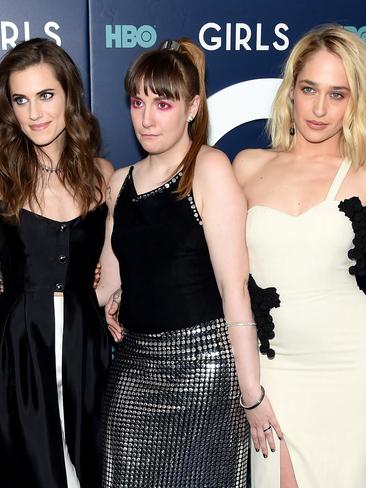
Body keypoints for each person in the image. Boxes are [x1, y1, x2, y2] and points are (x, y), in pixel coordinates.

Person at [233, 24, 366, 487]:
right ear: (291, 90)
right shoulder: (247, 167)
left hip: (350, 370)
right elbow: (213, 262)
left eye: (337, 95)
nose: (319, 108)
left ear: (356, 103)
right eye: (309, 89)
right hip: (272, 369)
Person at [95, 38, 276, 487]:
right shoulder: (120, 183)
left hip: (205, 371)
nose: (147, 117)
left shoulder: (209, 168)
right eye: (138, 102)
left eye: (163, 103)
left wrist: (251, 395)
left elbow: (234, 291)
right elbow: (105, 283)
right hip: (133, 371)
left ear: (193, 107)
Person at [0, 38, 114, 488]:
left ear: (69, 96)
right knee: (34, 472)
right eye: (21, 100)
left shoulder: (103, 175)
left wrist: (113, 298)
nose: (35, 112)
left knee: (90, 467)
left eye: (46, 95)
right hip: (20, 344)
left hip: (87, 341)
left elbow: (114, 268)